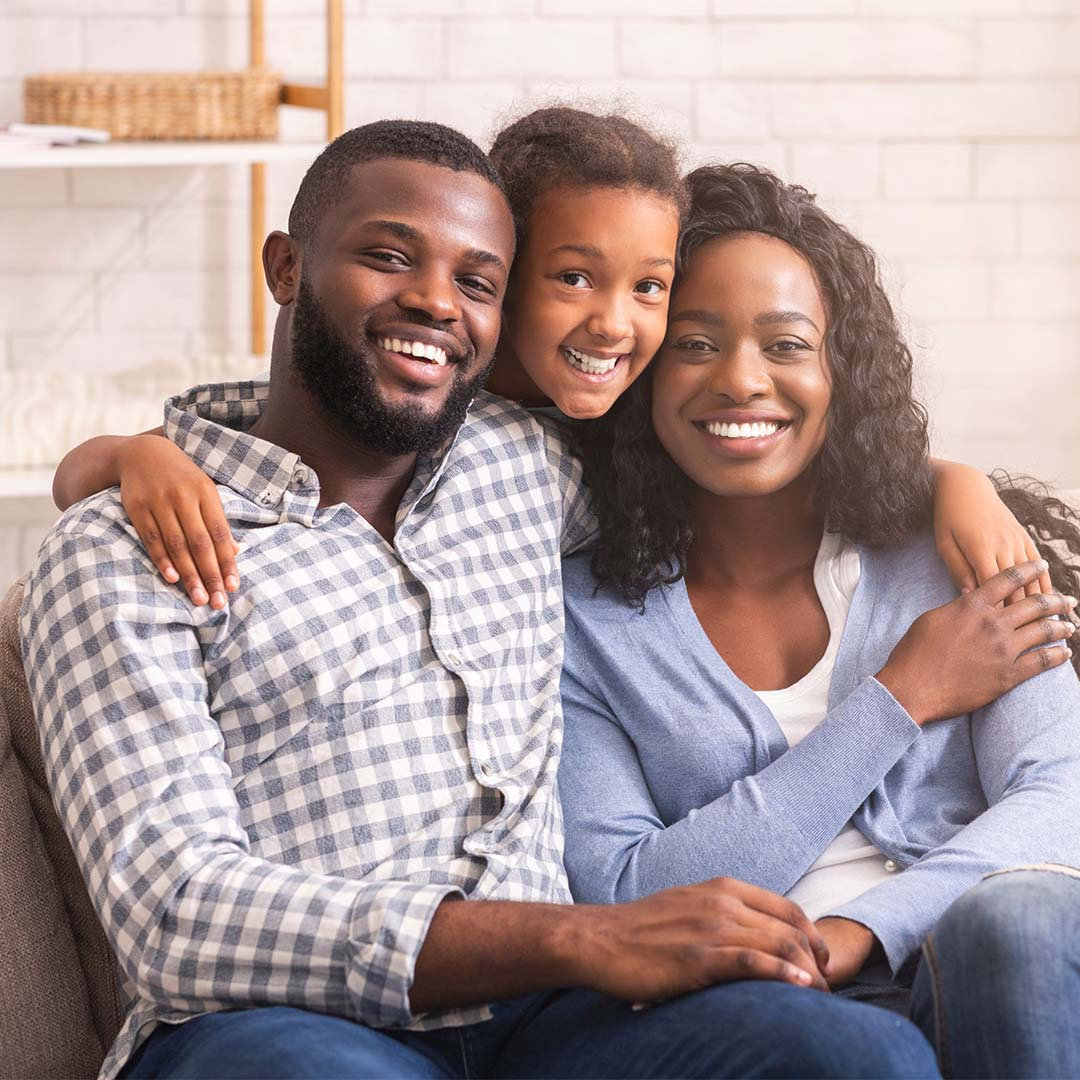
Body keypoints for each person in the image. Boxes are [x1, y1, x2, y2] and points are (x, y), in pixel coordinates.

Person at [22, 122, 946, 1080]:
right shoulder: (119, 551)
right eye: (389, 257)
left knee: (855, 1053)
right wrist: (577, 937)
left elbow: (738, 454)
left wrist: (948, 486)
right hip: (280, 1027)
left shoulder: (525, 465)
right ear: (287, 267)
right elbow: (176, 916)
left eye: (477, 281)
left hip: (551, 1024)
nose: (435, 300)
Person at [51, 108, 1044, 617]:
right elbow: (207, 451)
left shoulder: (624, 413)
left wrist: (948, 479)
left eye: (649, 287)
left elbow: (770, 453)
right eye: (574, 278)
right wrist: (133, 456)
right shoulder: (414, 383)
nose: (612, 323)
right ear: (506, 269)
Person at [558, 162, 1080, 1079]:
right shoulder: (584, 619)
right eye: (695, 343)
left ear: (840, 371)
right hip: (768, 1015)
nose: (741, 380)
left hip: (985, 969)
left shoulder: (949, 553)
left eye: (787, 344)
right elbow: (627, 891)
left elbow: (1064, 801)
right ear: (643, 370)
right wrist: (901, 696)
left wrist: (861, 930)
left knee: (1018, 922)